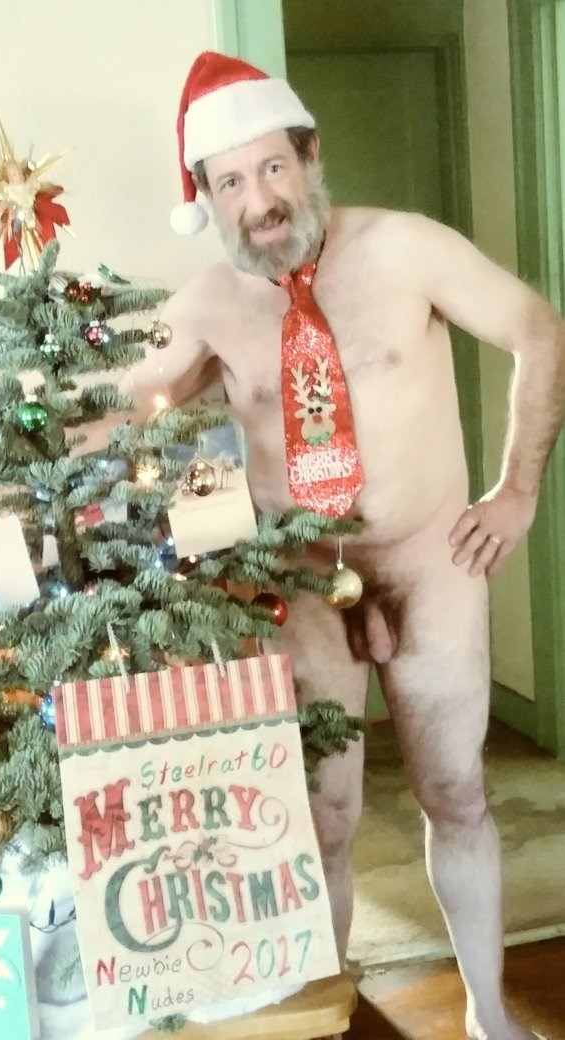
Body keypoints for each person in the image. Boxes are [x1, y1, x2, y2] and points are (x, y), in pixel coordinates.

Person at [107, 52, 563, 1040]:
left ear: (310, 156)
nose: (259, 200)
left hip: (434, 563)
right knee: (323, 817)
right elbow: (122, 413)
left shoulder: (408, 247)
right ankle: (334, 1017)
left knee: (457, 792)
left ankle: (489, 1012)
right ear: (207, 199)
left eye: (273, 167)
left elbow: (538, 328)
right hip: (303, 580)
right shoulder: (206, 306)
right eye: (231, 181)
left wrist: (518, 491)